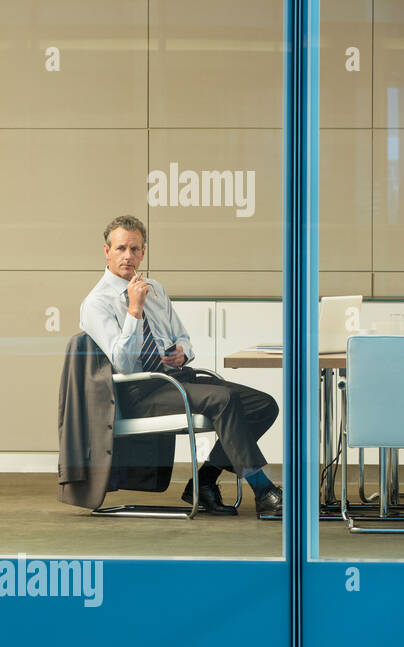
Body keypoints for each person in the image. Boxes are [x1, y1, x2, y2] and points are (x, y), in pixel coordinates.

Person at [78, 215, 283, 517]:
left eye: (135, 249)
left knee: (263, 404)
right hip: (140, 392)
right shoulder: (97, 304)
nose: (128, 256)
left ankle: (204, 482)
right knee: (223, 400)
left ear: (143, 252)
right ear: (107, 251)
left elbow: (183, 337)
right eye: (121, 248)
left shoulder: (156, 290)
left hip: (176, 378)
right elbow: (122, 362)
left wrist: (182, 352)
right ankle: (264, 490)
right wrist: (134, 310)